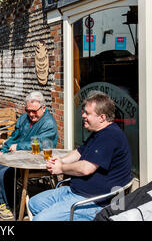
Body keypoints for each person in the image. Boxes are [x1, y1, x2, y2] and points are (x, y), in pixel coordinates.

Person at [28, 91, 132, 221]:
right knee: (33, 203)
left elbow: (86, 168)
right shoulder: (98, 133)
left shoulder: (110, 136)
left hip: (94, 202)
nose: (83, 115)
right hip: (74, 191)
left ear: (102, 117)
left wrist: (62, 168)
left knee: (40, 219)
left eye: (87, 113)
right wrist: (60, 160)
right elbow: (79, 152)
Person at [0, 91, 58, 220]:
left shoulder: (49, 123)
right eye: (28, 110)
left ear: (43, 108)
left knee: (6, 174)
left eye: (34, 111)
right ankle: (6, 203)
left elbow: (41, 143)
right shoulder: (24, 117)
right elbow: (15, 136)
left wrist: (19, 146)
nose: (31, 114)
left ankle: (15, 208)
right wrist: (3, 151)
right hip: (18, 157)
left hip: (38, 161)